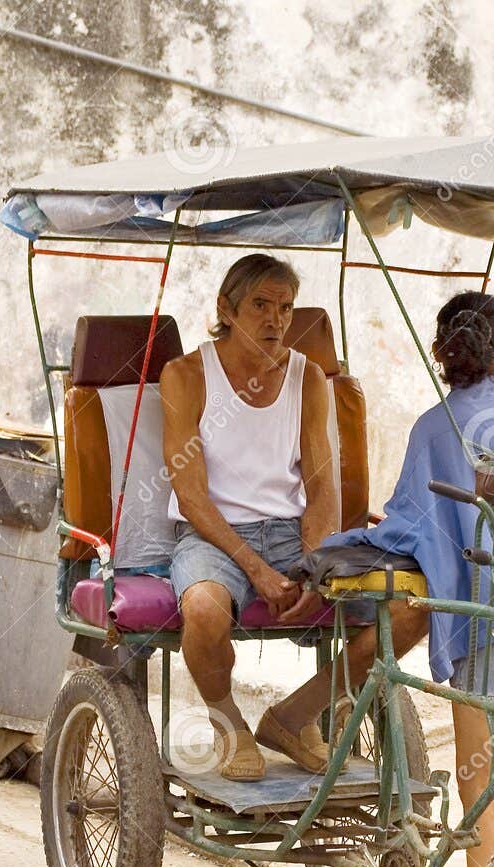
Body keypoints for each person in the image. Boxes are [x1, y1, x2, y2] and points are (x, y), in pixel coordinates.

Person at [267, 291, 494, 867]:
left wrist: (355, 540)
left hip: (482, 611)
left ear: (443, 355)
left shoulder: (436, 427)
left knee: (476, 785)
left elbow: (411, 529)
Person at [161, 254, 337, 782]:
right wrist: (257, 570)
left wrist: (316, 564)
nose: (275, 320)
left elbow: (323, 485)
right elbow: (190, 497)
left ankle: (294, 716)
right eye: (261, 304)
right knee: (204, 610)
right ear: (226, 308)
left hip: (290, 534)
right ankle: (232, 724)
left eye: (285, 307)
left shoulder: (308, 378)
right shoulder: (186, 375)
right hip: (213, 536)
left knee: (402, 609)